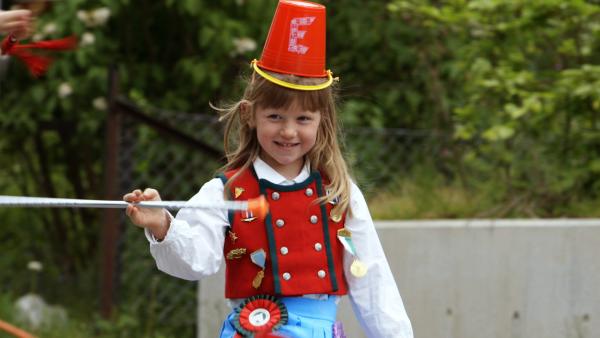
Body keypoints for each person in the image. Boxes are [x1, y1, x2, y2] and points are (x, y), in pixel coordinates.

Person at [123, 1, 413, 337]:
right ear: (249, 113)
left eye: (303, 119)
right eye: (275, 116)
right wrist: (161, 224)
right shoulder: (226, 191)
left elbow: (371, 276)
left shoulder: (338, 190)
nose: (289, 132)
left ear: (323, 121)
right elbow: (195, 262)